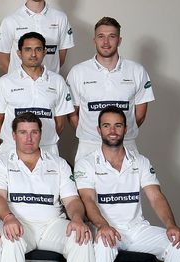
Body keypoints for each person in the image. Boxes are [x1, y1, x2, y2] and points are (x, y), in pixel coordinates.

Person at [75, 107, 180, 262]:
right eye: (107, 125)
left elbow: (156, 197)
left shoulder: (140, 161)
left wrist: (171, 225)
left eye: (118, 125)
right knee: (102, 244)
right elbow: (88, 200)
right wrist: (102, 225)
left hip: (137, 230)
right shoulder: (86, 163)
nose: (112, 130)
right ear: (98, 130)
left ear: (125, 129)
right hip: (106, 230)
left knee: (179, 243)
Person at [0, 112, 95, 262]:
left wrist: (76, 218)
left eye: (33, 132)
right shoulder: (1, 162)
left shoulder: (58, 163)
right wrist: (8, 217)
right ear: (13, 135)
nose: (28, 138)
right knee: (10, 241)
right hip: (17, 224)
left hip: (52, 225)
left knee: (81, 238)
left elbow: (72, 200)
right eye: (23, 132)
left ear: (40, 134)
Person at [66, 16, 155, 161]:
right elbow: (72, 114)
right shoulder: (78, 72)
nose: (106, 42)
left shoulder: (137, 71)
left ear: (119, 40)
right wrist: (91, 134)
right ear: (94, 40)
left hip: (126, 145)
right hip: (89, 146)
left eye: (111, 37)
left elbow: (140, 115)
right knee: (86, 185)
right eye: (101, 37)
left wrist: (116, 136)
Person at [0, 31, 73, 157]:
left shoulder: (58, 81)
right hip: (11, 149)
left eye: (38, 49)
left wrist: (45, 141)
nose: (33, 54)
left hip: (47, 149)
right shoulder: (5, 82)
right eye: (28, 49)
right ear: (19, 53)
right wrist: (10, 142)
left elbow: (60, 123)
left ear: (45, 52)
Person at [0, 0, 73, 74]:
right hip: (19, 87)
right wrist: (21, 81)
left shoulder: (60, 18)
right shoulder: (10, 21)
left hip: (50, 85)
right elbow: (1, 61)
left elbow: (60, 58)